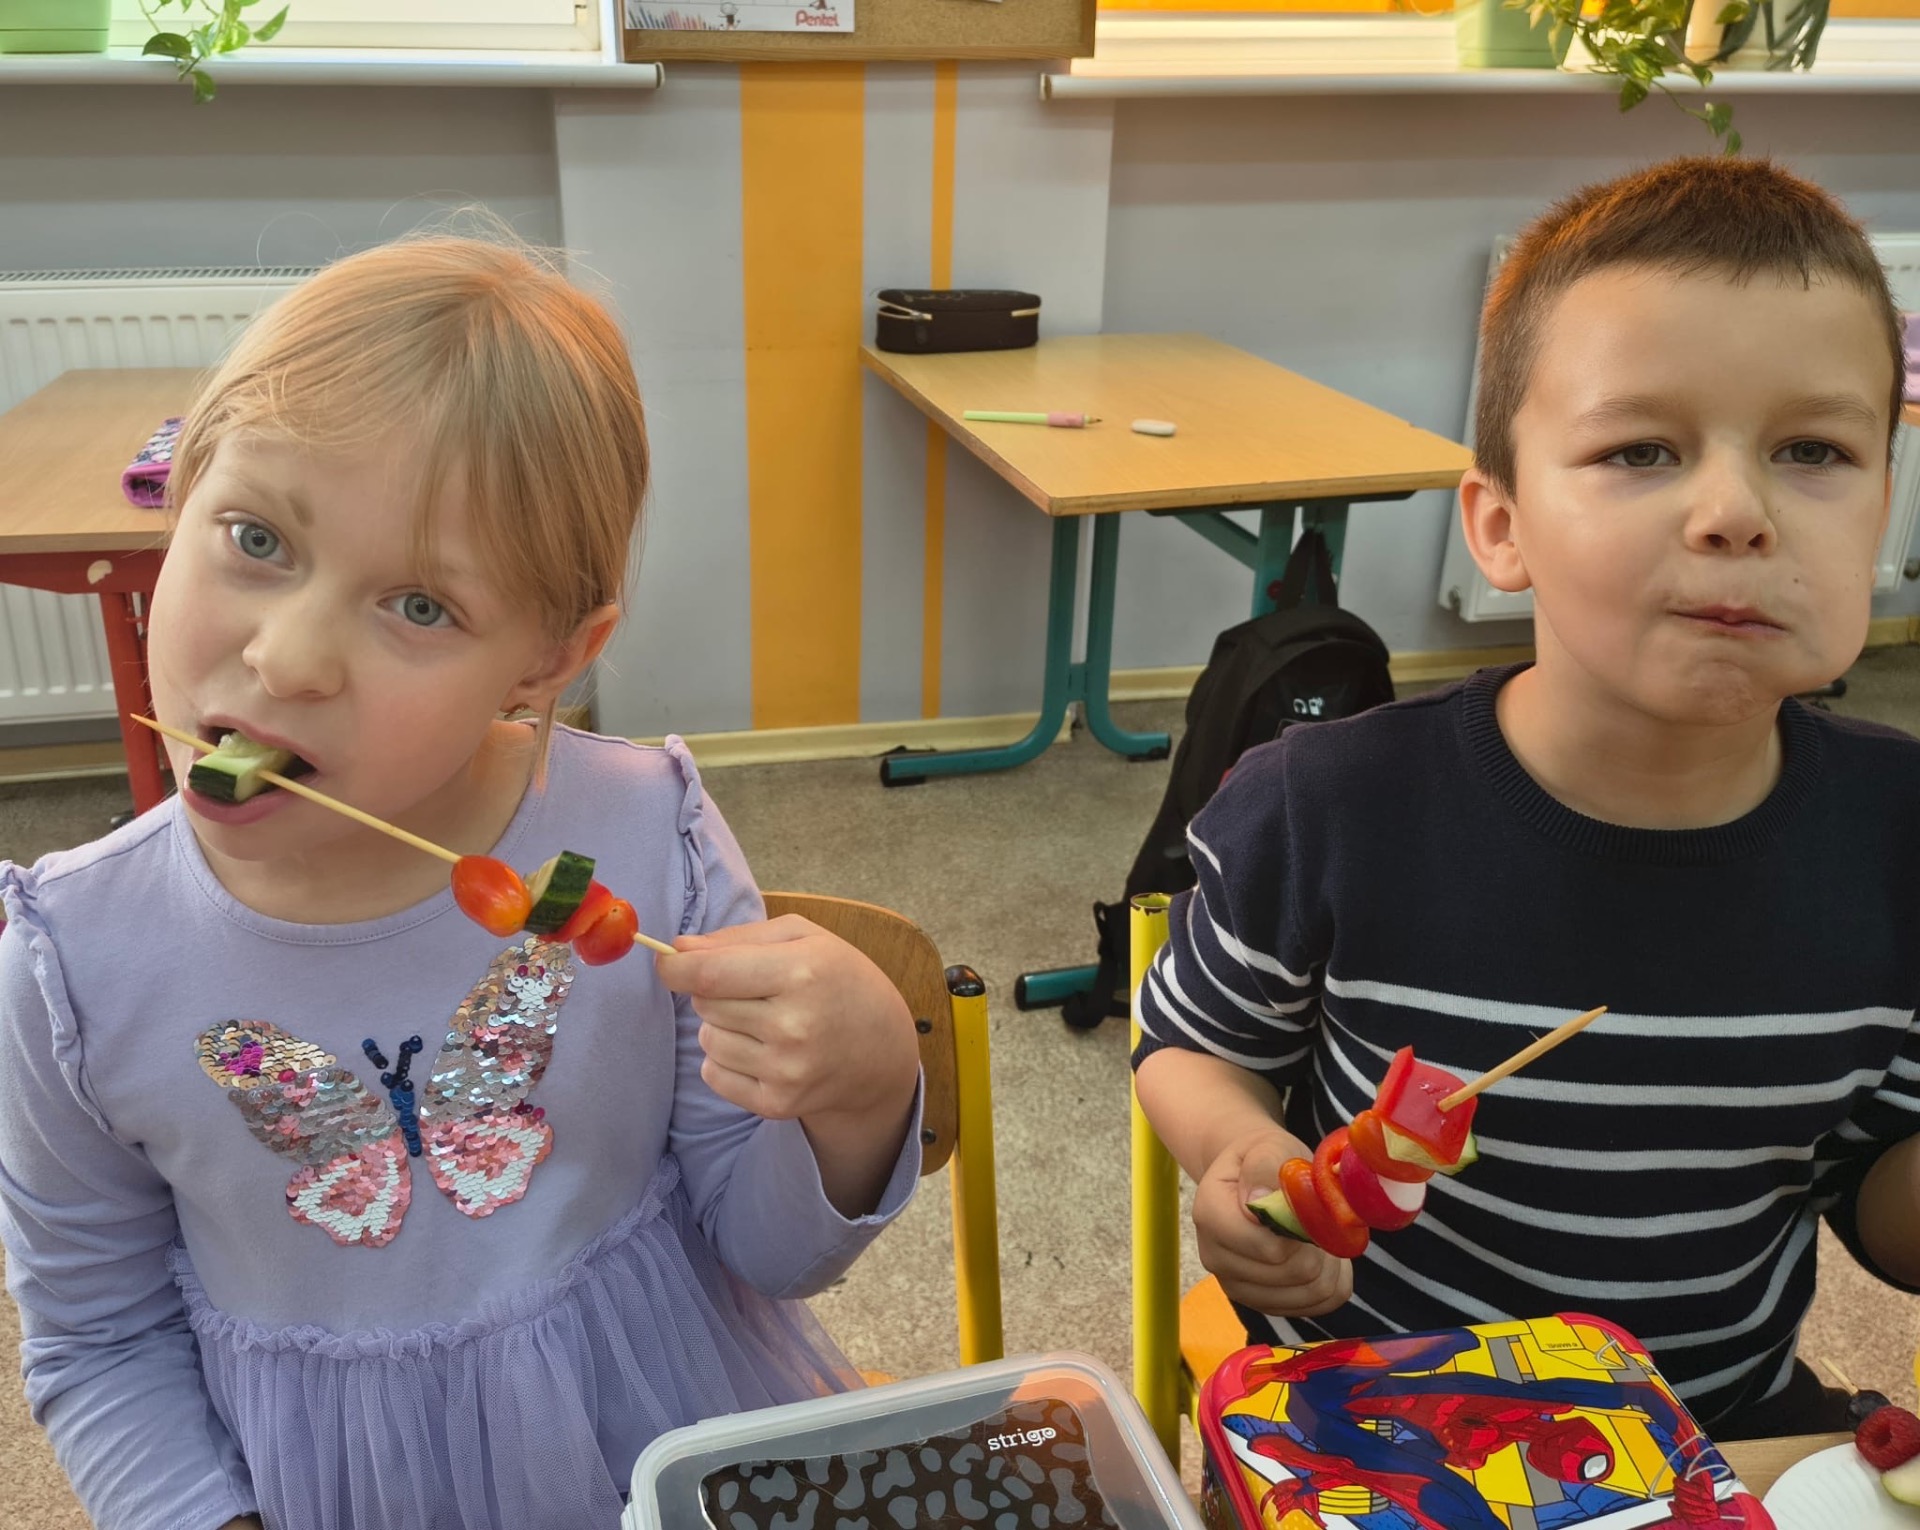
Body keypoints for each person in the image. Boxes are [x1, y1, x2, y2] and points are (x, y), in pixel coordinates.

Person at [0, 236, 925, 1530]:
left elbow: (770, 1252)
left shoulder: (642, 836)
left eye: (420, 606)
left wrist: (869, 1087)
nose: (289, 657)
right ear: (181, 492)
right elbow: (98, 1339)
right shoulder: (76, 961)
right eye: (257, 537)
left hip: (648, 1445)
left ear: (547, 660)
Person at [1134, 156, 1920, 1440]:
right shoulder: (1327, 808)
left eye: (1814, 451)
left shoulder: (1899, 839)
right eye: (1642, 449)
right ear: (1500, 528)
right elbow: (1194, 1045)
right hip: (1382, 1423)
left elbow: (1879, 1184)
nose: (1736, 512)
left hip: (1711, 1430)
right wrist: (1243, 1154)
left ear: (1884, 506)